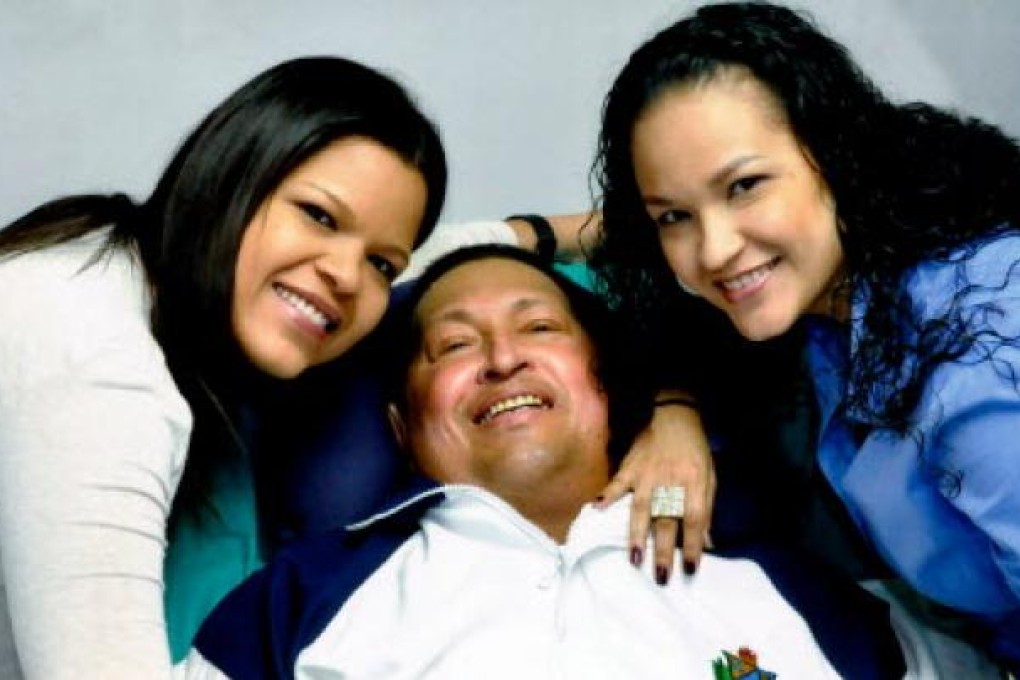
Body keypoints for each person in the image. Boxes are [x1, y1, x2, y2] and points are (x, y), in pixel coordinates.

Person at [180, 244, 923, 679]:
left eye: (539, 327)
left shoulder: (782, 584)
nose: (504, 359)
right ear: (402, 427)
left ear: (605, 386)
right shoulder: (302, 598)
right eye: (455, 345)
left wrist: (677, 408)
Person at [590, 1, 1020, 670]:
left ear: (835, 155)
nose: (714, 249)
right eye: (674, 215)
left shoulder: (976, 362)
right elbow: (628, 257)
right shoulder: (839, 295)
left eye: (745, 186)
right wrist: (675, 410)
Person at [0, 55, 451, 678]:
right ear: (229, 175)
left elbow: (445, 253)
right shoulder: (106, 376)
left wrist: (543, 232)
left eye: (382, 265)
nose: (347, 277)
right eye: (319, 216)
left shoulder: (94, 253)